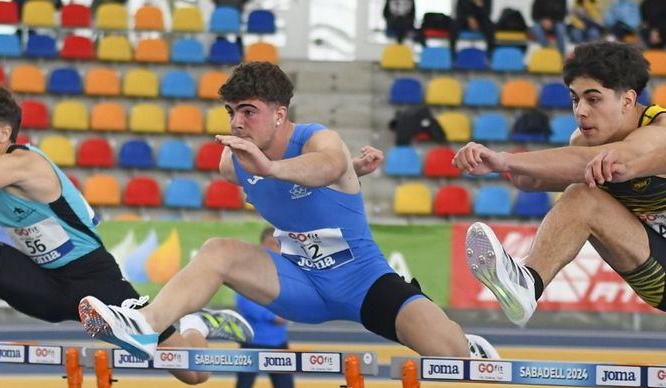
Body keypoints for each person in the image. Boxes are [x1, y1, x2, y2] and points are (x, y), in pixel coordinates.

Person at [78, 61, 500, 363]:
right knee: (218, 251)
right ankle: (146, 326)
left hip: (363, 283)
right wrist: (327, 174)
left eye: (248, 112)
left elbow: (327, 166)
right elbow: (305, 188)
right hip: (298, 281)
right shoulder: (234, 164)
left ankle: (467, 343)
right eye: (232, 112)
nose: (237, 123)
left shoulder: (320, 139)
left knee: (454, 358)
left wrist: (293, 169)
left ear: (280, 115)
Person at [0, 83, 254, 385]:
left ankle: (195, 325)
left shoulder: (22, 165)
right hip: (41, 281)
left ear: (4, 133)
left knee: (193, 373)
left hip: (94, 282)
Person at [452, 41, 666, 327]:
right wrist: (494, 166)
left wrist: (505, 160)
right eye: (575, 99)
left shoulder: (658, 131)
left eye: (594, 99)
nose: (581, 112)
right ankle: (527, 283)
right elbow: (532, 180)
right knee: (581, 196)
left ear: (627, 100)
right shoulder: (583, 141)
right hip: (656, 270)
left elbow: (615, 160)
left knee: (585, 191)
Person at [229, 226, 300, 388]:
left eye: (278, 245)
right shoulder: (248, 270)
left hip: (278, 343)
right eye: (271, 244)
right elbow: (243, 301)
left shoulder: (286, 272)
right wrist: (272, 315)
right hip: (252, 343)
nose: (275, 249)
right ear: (261, 245)